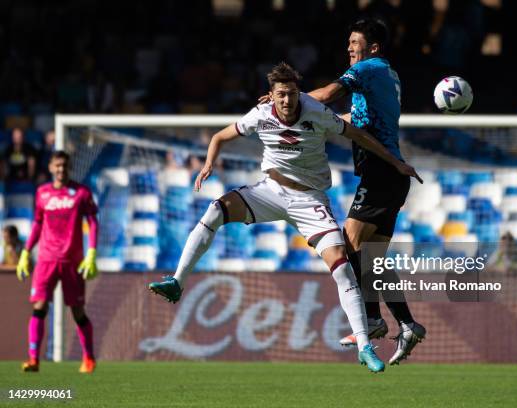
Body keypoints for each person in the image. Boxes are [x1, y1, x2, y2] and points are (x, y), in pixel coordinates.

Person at [149, 62, 420, 373]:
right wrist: (209, 163)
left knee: (342, 269)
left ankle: (364, 347)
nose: (288, 100)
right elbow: (219, 137)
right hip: (271, 191)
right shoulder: (260, 114)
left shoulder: (316, 111)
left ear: (298, 93)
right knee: (215, 208)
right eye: (281, 95)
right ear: (271, 95)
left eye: (292, 93)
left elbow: (358, 135)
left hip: (310, 200)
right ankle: (177, 282)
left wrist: (395, 162)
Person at [307, 18, 427, 365]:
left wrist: (287, 103)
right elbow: (354, 116)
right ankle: (406, 324)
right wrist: (323, 124)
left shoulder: (368, 68)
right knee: (373, 259)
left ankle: (373, 319)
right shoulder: (385, 74)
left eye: (354, 42)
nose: (349, 49)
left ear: (373, 47)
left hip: (381, 172)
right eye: (348, 43)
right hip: (390, 174)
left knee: (349, 243)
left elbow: (328, 96)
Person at [16, 151, 99, 373]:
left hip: (72, 261)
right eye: (57, 165)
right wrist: (25, 251)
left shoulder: (81, 193)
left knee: (77, 311)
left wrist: (91, 252)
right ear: (51, 167)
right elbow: (37, 223)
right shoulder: (42, 193)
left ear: (68, 167)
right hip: (46, 259)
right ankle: (33, 359)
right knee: (39, 306)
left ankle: (89, 358)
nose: (61, 169)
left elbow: (93, 222)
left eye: (64, 165)